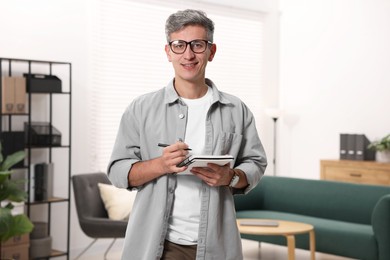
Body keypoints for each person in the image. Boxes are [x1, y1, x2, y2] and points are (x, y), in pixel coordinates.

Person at [108, 9, 267, 260]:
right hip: (157, 246)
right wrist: (160, 165)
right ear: (168, 51)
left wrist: (231, 177)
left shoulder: (237, 110)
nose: (188, 54)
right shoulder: (141, 109)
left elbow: (256, 164)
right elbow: (117, 172)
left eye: (198, 45)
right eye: (179, 45)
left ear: (211, 51)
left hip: (217, 245)